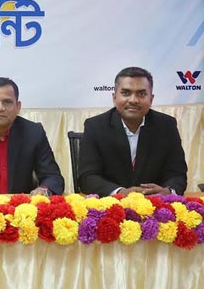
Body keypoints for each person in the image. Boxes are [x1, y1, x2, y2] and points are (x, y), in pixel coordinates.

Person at [77, 67, 187, 196]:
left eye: (141, 94)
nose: (133, 100)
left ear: (151, 99)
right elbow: (87, 177)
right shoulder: (95, 126)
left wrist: (167, 191)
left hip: (155, 203)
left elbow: (177, 174)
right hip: (111, 204)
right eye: (126, 93)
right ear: (114, 97)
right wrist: (120, 192)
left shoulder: (166, 126)